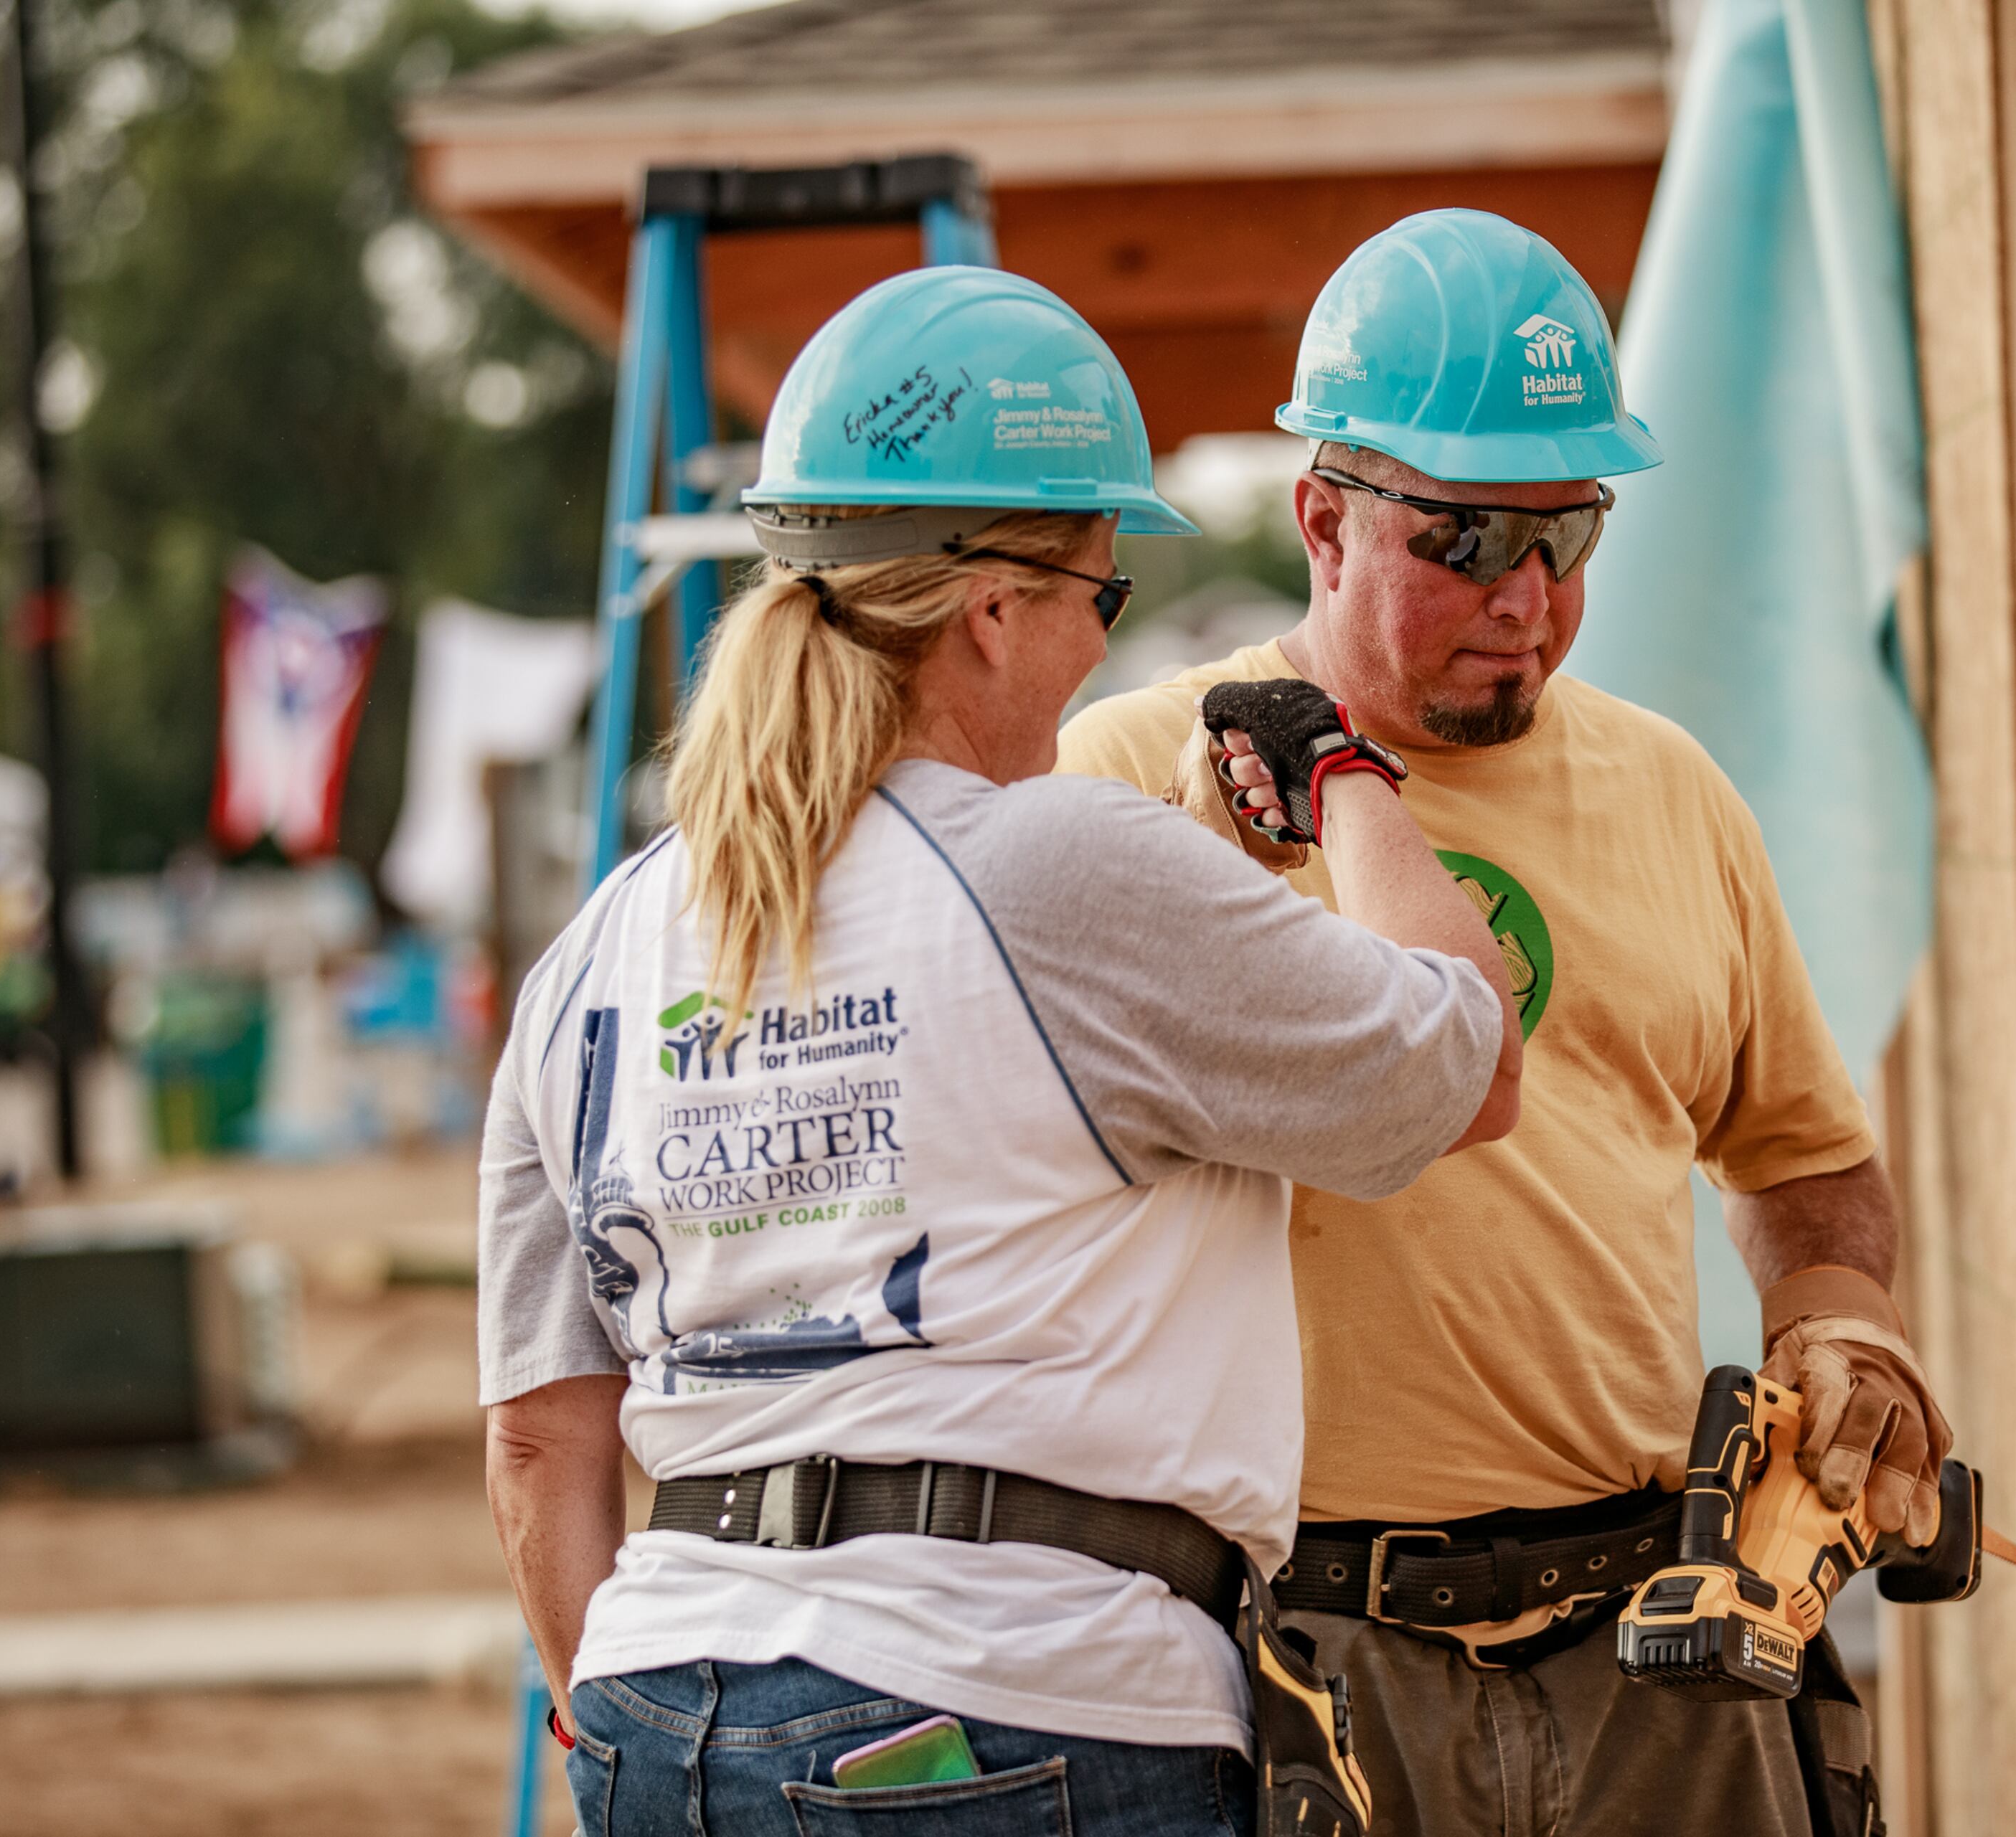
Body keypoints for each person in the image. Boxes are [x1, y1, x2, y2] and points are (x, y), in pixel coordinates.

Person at [476, 264, 1523, 1837]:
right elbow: (1461, 1055)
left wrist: (646, 1728)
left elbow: (539, 1433)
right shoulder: (1051, 867)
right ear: (987, 609)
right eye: (1099, 595)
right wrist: (1338, 763)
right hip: (1014, 1710)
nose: (1108, 648)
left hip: (656, 1713)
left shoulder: (596, 957)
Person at [1057, 209, 1955, 1837]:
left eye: (1571, 535)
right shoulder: (1135, 777)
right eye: (1465, 542)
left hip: (1658, 1647)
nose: (1527, 598)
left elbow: (1803, 1162)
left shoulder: (1672, 793)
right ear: (1323, 522)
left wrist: (1841, 1325)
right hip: (1304, 1650)